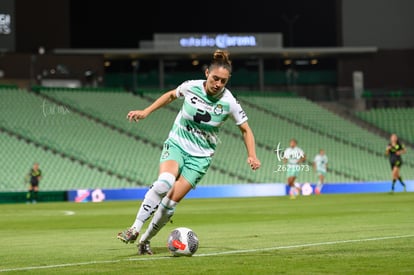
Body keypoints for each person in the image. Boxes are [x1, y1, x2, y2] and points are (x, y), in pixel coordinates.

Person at [117, 49, 261, 255]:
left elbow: (246, 129)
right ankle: (134, 228)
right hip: (177, 144)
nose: (218, 84)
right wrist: (145, 111)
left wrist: (252, 155)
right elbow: (170, 95)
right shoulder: (190, 87)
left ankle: (145, 240)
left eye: (223, 81)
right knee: (164, 182)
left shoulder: (229, 102)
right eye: (215, 78)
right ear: (206, 74)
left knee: (169, 205)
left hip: (200, 158)